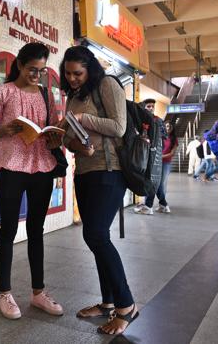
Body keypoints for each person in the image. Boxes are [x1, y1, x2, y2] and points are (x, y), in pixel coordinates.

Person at [61, 45, 138, 336]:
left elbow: (118, 127)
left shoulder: (108, 84)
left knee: (96, 235)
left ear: (90, 69)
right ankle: (107, 303)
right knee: (94, 237)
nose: (72, 78)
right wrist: (69, 138)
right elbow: (71, 139)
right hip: (84, 171)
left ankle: (126, 305)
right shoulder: (73, 96)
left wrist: (82, 120)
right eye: (68, 73)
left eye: (78, 73)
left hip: (110, 170)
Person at [0, 42, 63, 320]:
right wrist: (4, 129)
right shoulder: (3, 91)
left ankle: (38, 292)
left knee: (36, 231)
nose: (37, 75)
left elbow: (53, 124)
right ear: (19, 64)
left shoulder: (45, 94)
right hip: (12, 168)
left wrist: (55, 135)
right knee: (7, 230)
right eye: (32, 69)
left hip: (41, 167)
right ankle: (4, 293)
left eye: (41, 71)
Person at [136, 120, 178, 215]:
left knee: (159, 184)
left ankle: (150, 206)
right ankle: (162, 205)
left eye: (169, 126)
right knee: (155, 183)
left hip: (165, 163)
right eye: (166, 126)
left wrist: (158, 156)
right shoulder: (159, 137)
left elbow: (172, 153)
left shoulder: (173, 139)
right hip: (155, 162)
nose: (167, 128)